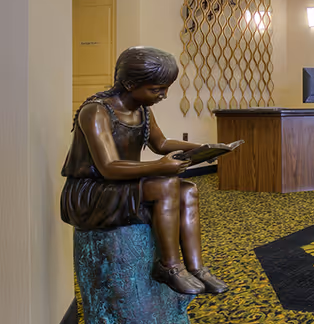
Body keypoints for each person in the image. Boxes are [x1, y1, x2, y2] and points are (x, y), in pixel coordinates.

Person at [61, 46, 228, 295]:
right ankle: (169, 267)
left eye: (165, 88)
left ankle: (196, 267)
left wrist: (205, 148)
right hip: (90, 192)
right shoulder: (96, 111)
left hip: (122, 183)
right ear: (129, 84)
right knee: (166, 185)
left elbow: (161, 144)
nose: (164, 94)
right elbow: (108, 167)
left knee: (188, 190)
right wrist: (160, 167)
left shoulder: (142, 110)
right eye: (156, 89)